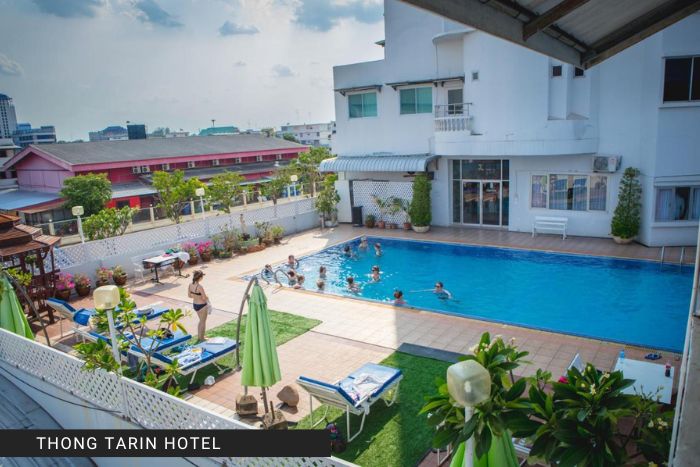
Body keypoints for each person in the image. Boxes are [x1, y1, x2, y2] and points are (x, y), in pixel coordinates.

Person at [187, 270, 209, 342]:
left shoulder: (190, 285)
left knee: (201, 321)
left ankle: (200, 336)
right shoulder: (200, 287)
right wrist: (207, 297)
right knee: (203, 322)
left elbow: (189, 296)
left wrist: (195, 296)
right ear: (200, 278)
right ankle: (202, 338)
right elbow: (204, 298)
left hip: (195, 305)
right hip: (202, 305)